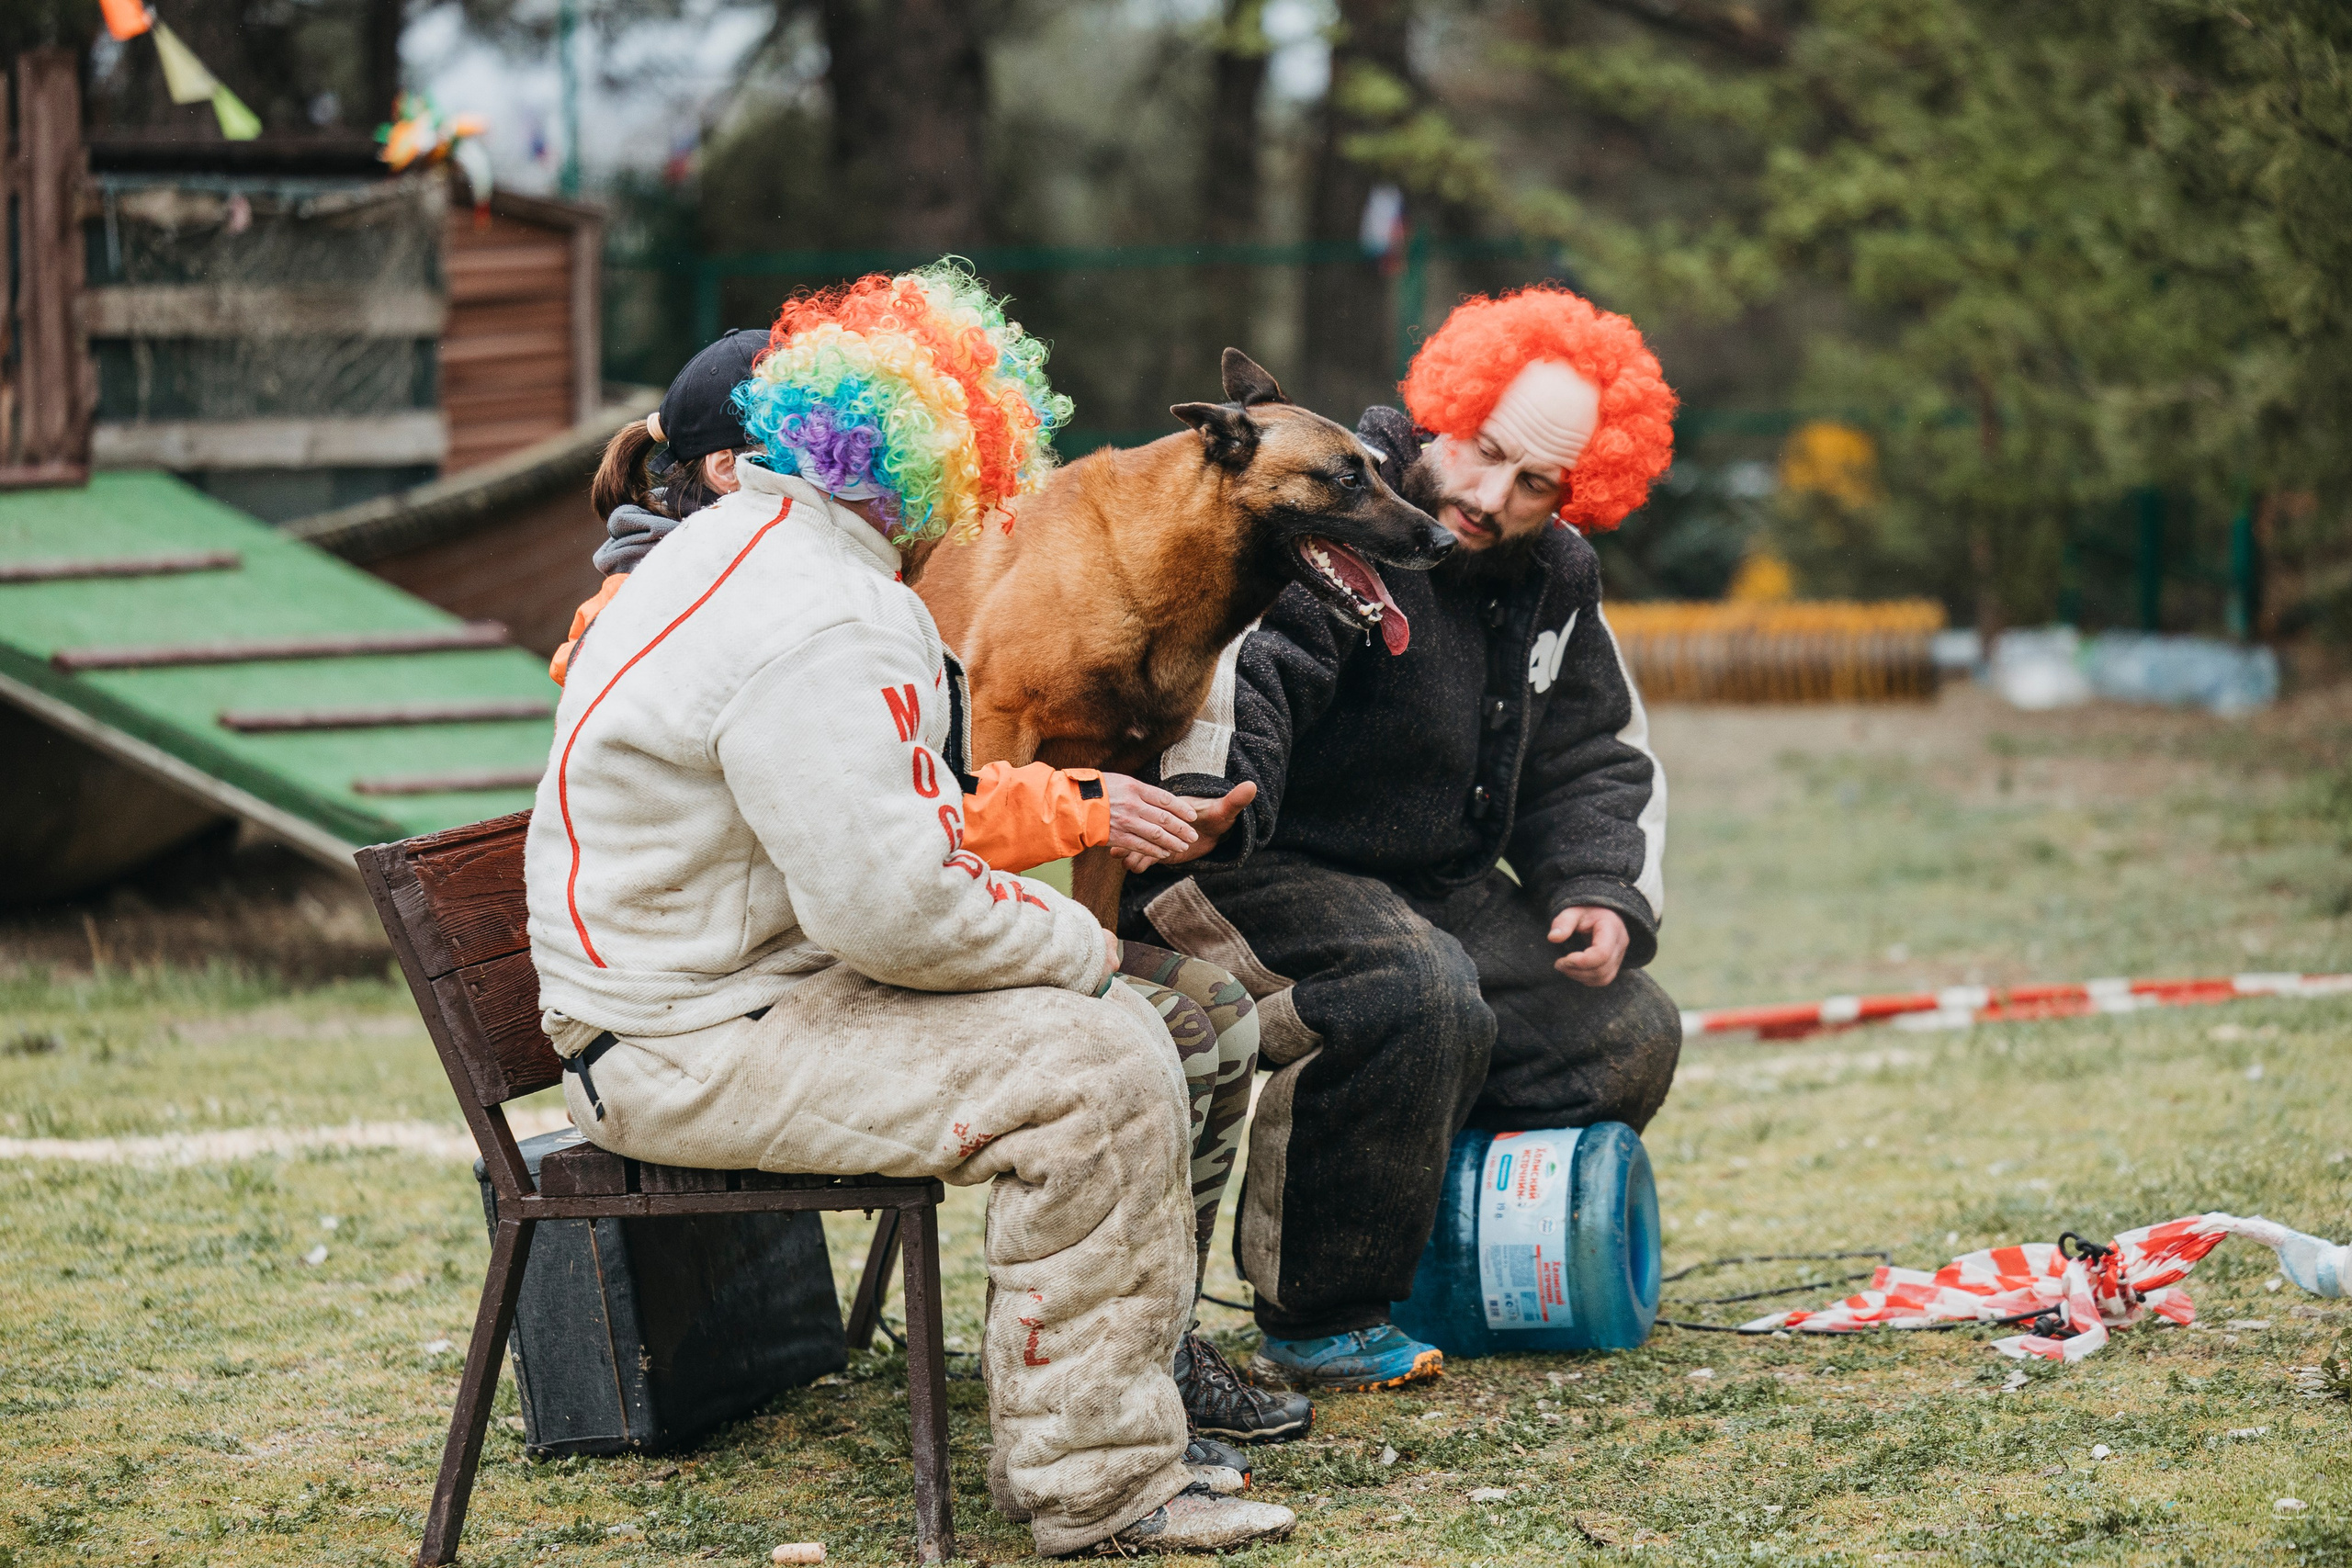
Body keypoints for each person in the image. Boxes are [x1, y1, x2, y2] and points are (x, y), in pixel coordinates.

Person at [524, 264, 1296, 1555]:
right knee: (1097, 1070)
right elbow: (893, 909)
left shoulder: (748, 551)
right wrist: (1076, 943)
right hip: (683, 1041)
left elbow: (896, 844)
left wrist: (1051, 916)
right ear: (938, 456)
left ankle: (1114, 1435)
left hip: (704, 996)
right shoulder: (824, 614)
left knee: (1114, 1034)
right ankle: (1102, 1487)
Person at [1119, 284, 1684, 1393]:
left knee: (1623, 1031)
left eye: (1537, 484)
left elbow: (1589, 751)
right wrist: (1217, 801)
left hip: (1426, 878)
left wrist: (1597, 886)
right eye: (1484, 452)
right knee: (1410, 991)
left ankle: (1412, 1229)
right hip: (1237, 855)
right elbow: (1243, 681)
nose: (1492, 496)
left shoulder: (1556, 574)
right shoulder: (1326, 502)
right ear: (1444, 409)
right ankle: (1319, 1316)